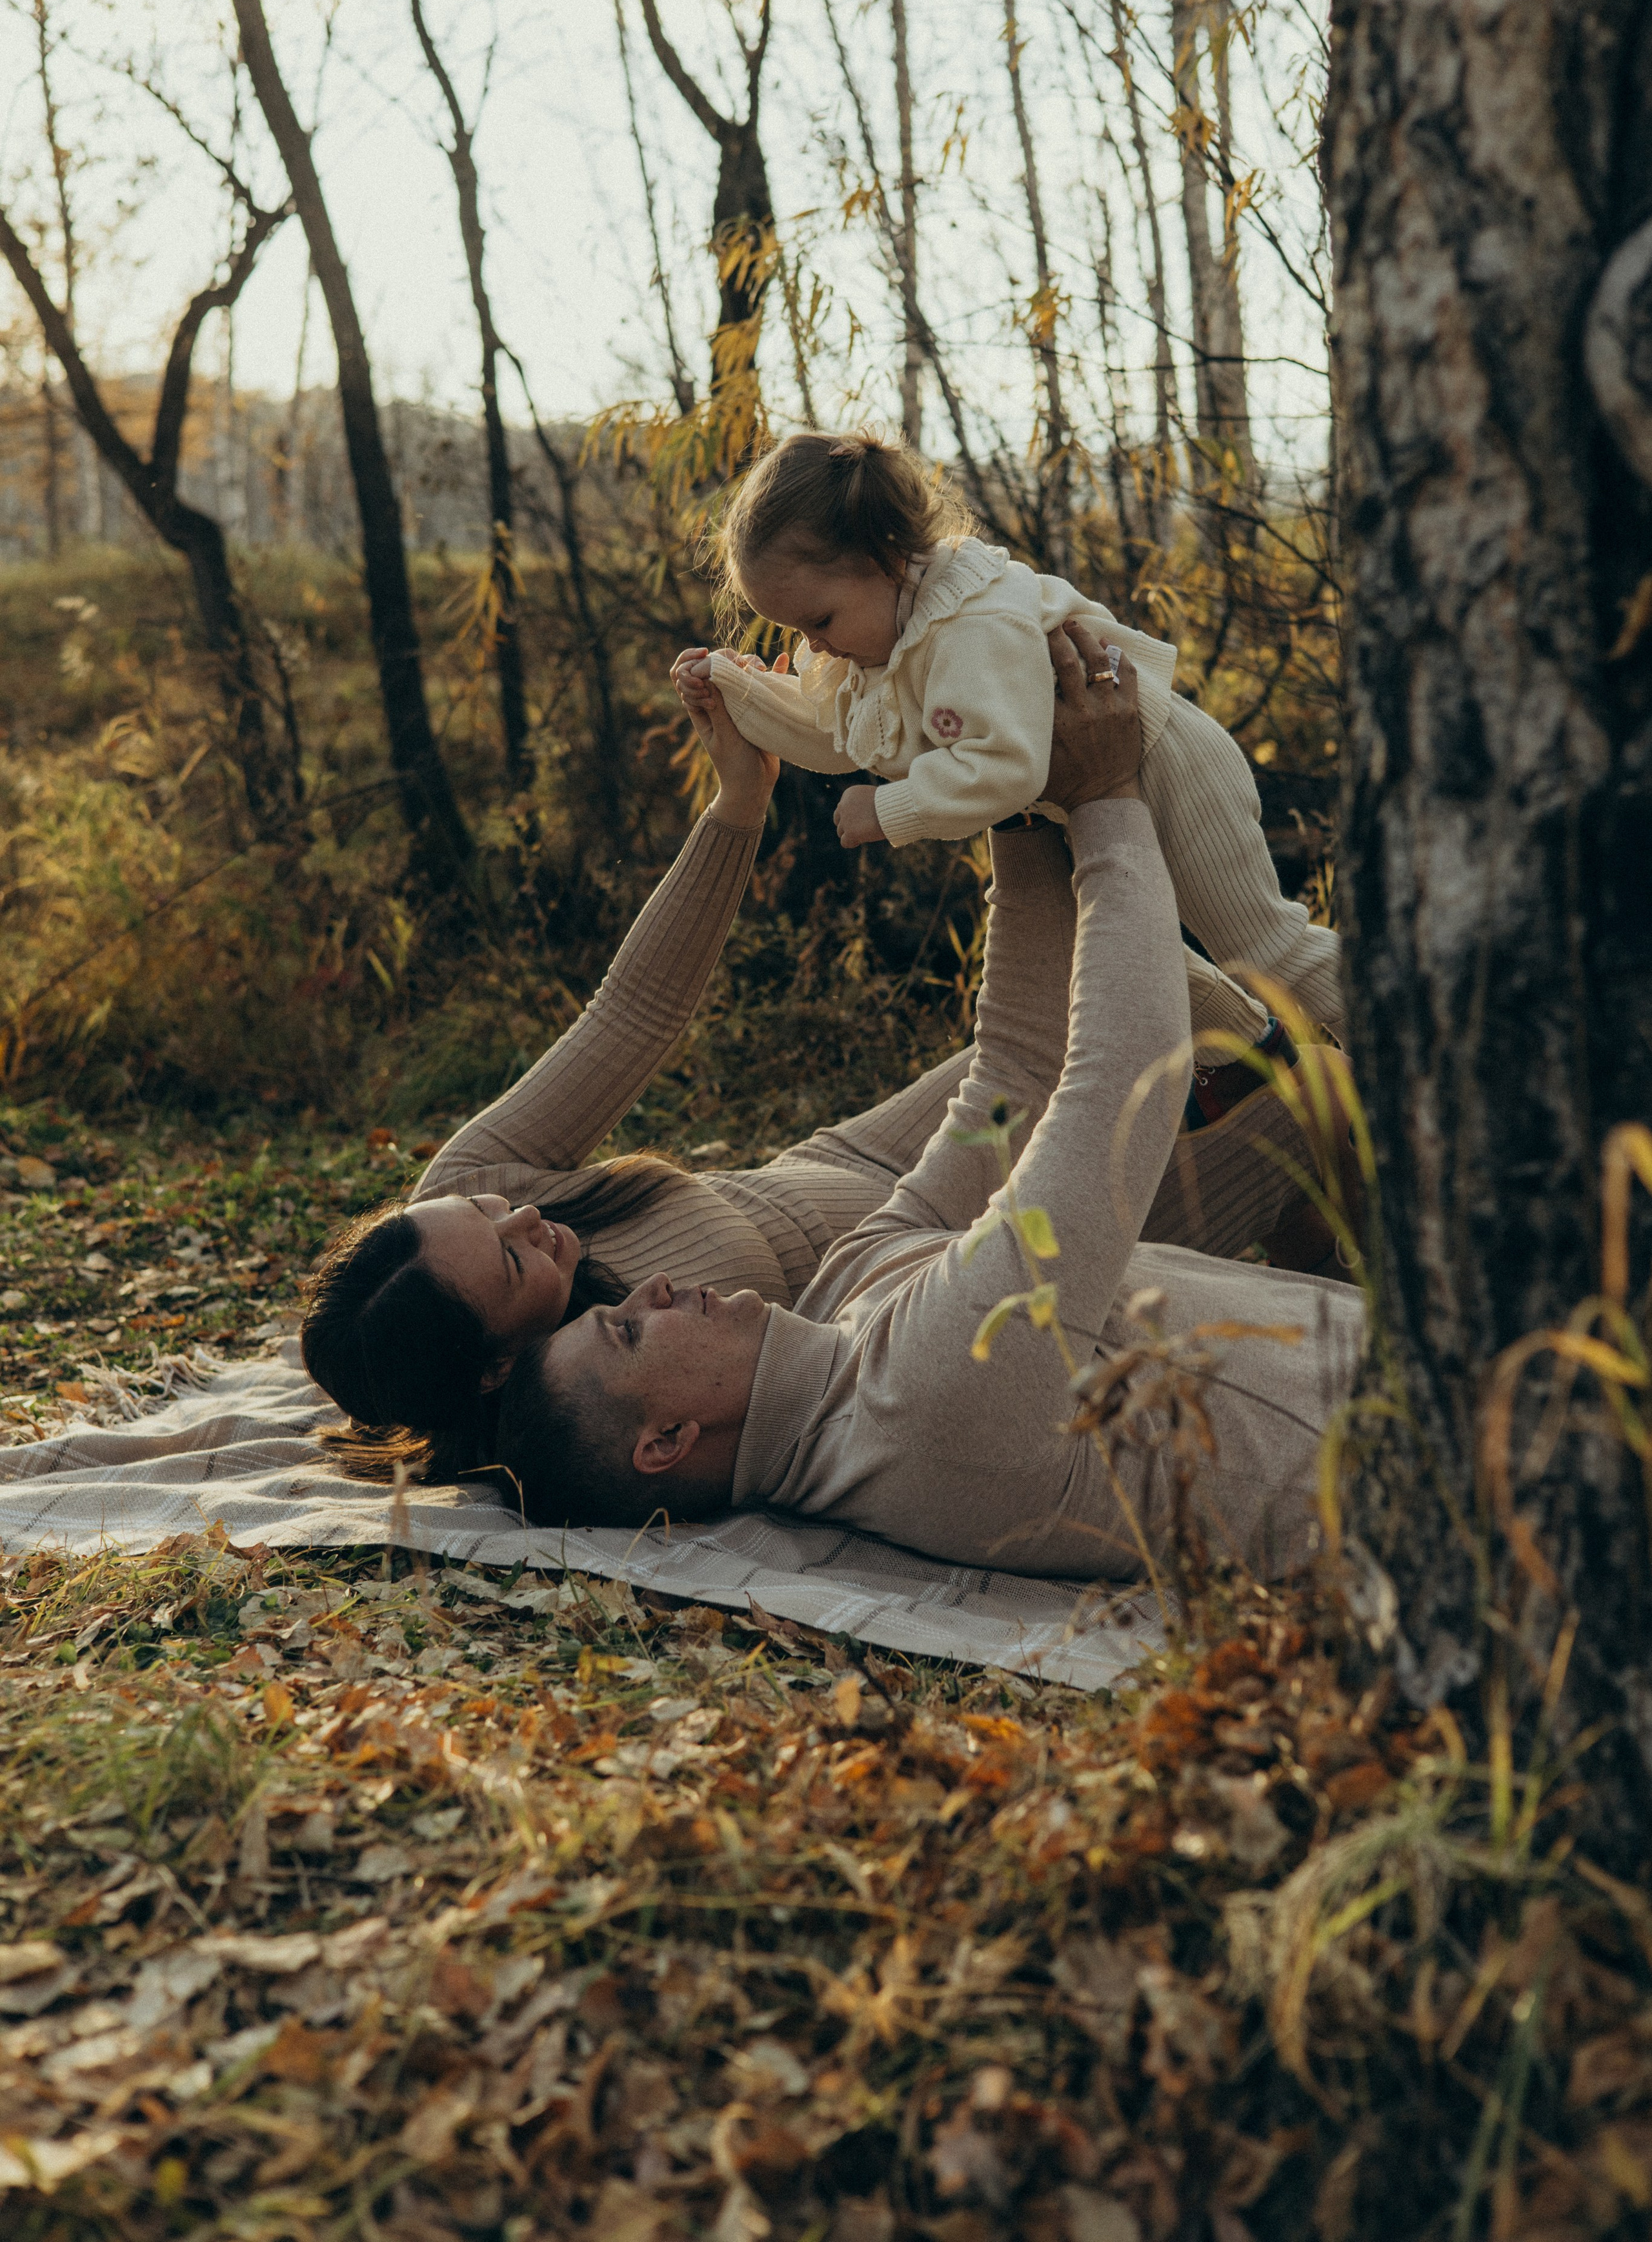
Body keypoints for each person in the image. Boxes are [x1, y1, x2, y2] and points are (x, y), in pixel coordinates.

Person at [301, 647, 1351, 1495]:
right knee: (1317, 1111)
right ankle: (1343, 1254)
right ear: (496, 1366)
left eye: (498, 1212)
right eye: (519, 1265)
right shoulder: (619, 1383)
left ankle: (1311, 1181)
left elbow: (636, 1011)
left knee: (1175, 987)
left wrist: (738, 808)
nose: (525, 1222)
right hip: (949, 1265)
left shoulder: (452, 1209)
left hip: (871, 1164)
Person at [674, 429, 1342, 1065]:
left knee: (1263, 952)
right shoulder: (884, 627)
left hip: (1171, 767)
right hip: (1087, 794)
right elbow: (837, 734)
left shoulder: (971, 624)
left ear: (884, 558)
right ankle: (1256, 1062)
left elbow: (1004, 767)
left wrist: (889, 810)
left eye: (817, 621)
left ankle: (1428, 1026)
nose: (812, 645)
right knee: (1106, 944)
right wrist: (738, 695)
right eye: (793, 629)